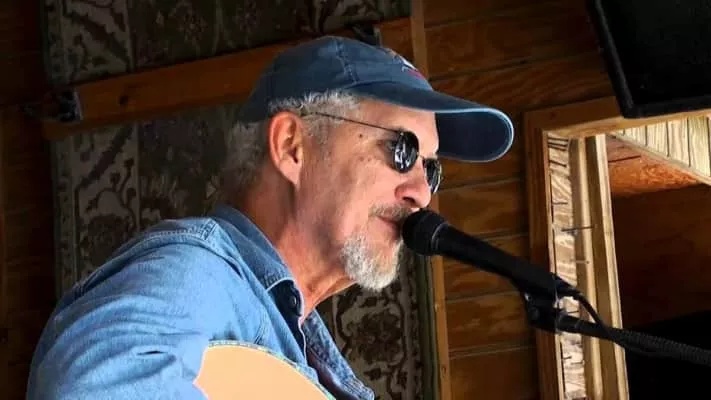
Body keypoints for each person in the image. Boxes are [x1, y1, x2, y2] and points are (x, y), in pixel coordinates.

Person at [26, 36, 514, 399]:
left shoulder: (296, 351)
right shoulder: (200, 274)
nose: (422, 194)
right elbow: (89, 387)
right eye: (402, 150)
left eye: (432, 169)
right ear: (291, 146)